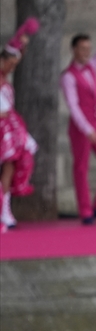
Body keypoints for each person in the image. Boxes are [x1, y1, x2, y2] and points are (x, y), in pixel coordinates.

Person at [60, 10, 96, 226]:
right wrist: (87, 129)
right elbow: (73, 107)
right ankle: (85, 211)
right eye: (82, 48)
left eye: (88, 48)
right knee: (81, 167)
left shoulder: (92, 67)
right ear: (74, 49)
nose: (86, 52)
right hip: (81, 127)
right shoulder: (68, 76)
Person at [0, 18, 38, 234]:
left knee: (9, 168)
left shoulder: (4, 76)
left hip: (7, 129)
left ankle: (5, 212)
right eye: (11, 64)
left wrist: (22, 41)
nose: (13, 67)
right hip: (2, 127)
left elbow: (15, 51)